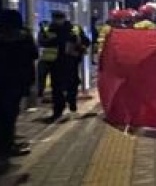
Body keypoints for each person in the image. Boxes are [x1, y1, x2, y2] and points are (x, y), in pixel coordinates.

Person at [0, 9, 38, 172]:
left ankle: (5, 150)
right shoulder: (24, 36)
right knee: (9, 116)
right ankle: (6, 151)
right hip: (16, 82)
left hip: (3, 81)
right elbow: (34, 55)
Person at [38, 11, 90, 122]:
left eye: (59, 17)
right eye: (56, 18)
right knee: (58, 88)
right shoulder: (47, 28)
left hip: (70, 61)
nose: (58, 20)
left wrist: (79, 46)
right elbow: (42, 42)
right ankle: (59, 110)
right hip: (55, 63)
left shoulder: (74, 28)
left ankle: (71, 107)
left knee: (70, 85)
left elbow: (86, 41)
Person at [37, 20, 52, 101]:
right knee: (42, 77)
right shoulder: (45, 32)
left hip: (46, 58)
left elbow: (42, 42)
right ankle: (40, 93)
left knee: (42, 77)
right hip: (47, 58)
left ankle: (40, 93)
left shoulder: (44, 32)